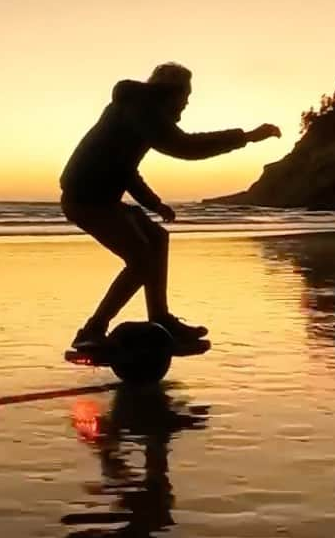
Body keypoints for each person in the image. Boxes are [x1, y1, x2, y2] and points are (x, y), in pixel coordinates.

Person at [60, 63, 281, 348]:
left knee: (157, 238)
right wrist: (246, 137)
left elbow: (124, 169)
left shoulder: (137, 109)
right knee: (141, 261)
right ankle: (92, 331)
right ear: (172, 92)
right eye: (185, 97)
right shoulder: (141, 108)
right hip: (86, 200)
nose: (186, 104)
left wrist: (155, 204)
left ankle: (160, 318)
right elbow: (185, 147)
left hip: (100, 198)